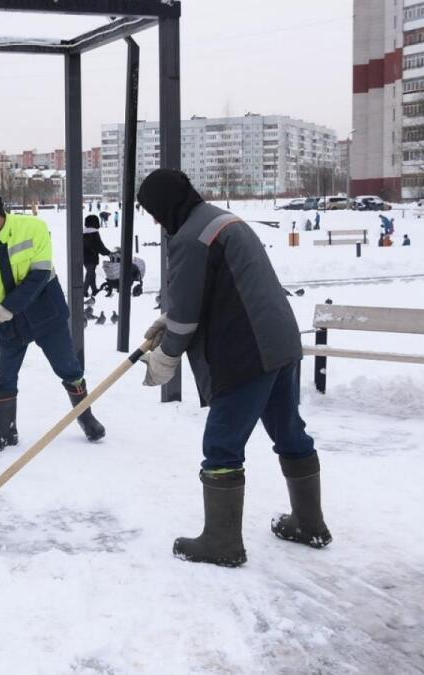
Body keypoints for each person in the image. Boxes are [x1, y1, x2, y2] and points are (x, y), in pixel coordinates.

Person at [136, 169, 332, 568]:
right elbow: (209, 291)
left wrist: (167, 355)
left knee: (222, 444)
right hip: (280, 341)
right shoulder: (219, 219)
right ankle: (309, 523)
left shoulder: (191, 237)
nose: (155, 220)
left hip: (247, 350)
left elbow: (188, 316)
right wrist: (169, 320)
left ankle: (222, 542)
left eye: (154, 211)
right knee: (289, 432)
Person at [0, 189, 106, 453]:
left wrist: (10, 306)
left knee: (68, 368)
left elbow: (40, 274)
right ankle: (4, 432)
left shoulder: (34, 228)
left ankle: (86, 417)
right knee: (5, 377)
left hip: (45, 312)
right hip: (7, 324)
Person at [82, 214, 112, 298]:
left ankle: (94, 289)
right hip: (91, 257)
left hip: (84, 257)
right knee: (90, 273)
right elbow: (99, 246)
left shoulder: (83, 232)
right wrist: (108, 253)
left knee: (91, 273)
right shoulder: (94, 232)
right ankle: (84, 291)